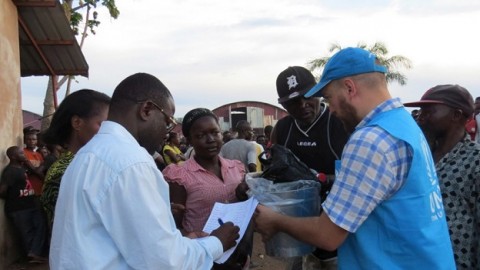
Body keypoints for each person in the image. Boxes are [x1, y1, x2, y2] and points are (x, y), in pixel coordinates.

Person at [254, 47, 455, 269]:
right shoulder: (403, 124)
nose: (330, 109)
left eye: (329, 98)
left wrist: (275, 220)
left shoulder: (371, 139)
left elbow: (328, 235)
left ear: (349, 88)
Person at [49, 73, 240, 269]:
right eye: (167, 122)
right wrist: (216, 242)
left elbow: (123, 239)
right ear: (147, 110)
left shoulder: (88, 154)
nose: (166, 133)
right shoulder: (132, 162)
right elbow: (164, 262)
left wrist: (182, 242)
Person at [272, 66, 350, 269]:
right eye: (292, 102)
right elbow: (275, 171)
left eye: (308, 96)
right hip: (299, 227)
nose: (302, 105)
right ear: (283, 105)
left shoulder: (340, 123)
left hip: (337, 224)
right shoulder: (282, 129)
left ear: (319, 93)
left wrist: (322, 179)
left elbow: (355, 177)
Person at [163, 108, 252, 270]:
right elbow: (174, 226)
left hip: (238, 250)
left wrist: (244, 194)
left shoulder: (236, 168)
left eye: (215, 132)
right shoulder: (180, 175)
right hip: (204, 256)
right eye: (201, 135)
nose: (210, 139)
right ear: (189, 140)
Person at [404, 84, 480, 270]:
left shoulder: (475, 161)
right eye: (421, 111)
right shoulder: (419, 156)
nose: (421, 118)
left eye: (429, 111)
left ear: (456, 115)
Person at [40, 89, 111, 230]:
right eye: (103, 125)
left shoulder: (92, 164)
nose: (109, 132)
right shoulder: (63, 172)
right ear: (77, 122)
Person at [0, 146, 47, 263]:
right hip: (18, 208)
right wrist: (14, 197)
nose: (24, 155)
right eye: (21, 153)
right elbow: (2, 191)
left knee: (40, 225)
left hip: (30, 204)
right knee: (26, 232)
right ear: (13, 157)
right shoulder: (10, 171)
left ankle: (34, 252)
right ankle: (33, 255)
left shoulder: (21, 168)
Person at [23, 131, 45, 195]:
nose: (31, 141)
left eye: (34, 139)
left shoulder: (39, 154)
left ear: (37, 141)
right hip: (28, 187)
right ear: (25, 141)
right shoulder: (23, 152)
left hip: (39, 186)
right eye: (28, 139)